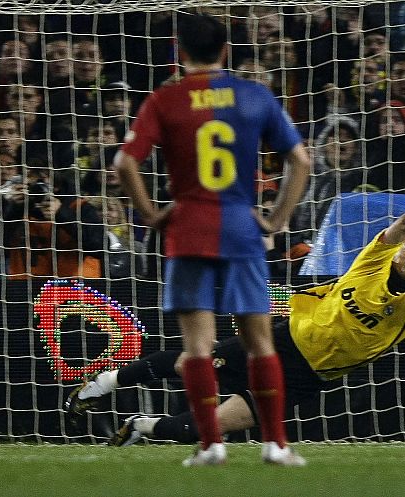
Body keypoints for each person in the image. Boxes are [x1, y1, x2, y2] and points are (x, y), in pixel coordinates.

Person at [67, 163, 405, 447]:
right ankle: (102, 385)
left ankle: (140, 427)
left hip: (307, 381)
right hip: (282, 343)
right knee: (188, 365)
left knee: (207, 429)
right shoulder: (371, 265)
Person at [113, 13, 311, 467]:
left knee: (198, 346)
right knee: (260, 340)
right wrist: (276, 219)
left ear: (179, 51)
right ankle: (276, 445)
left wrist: (151, 215)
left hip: (188, 228)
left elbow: (125, 165)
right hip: (242, 226)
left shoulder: (165, 99)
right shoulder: (254, 95)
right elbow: (300, 160)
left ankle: (211, 446)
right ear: (226, 51)